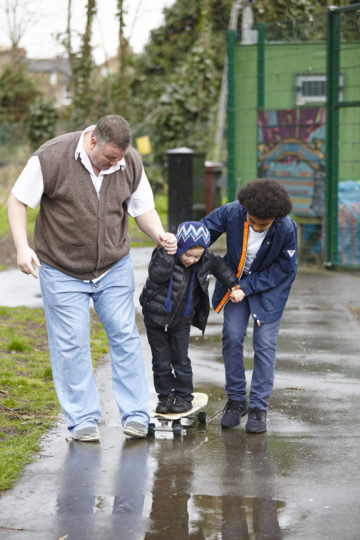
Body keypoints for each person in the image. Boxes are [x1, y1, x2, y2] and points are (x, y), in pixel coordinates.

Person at [7, 115, 177, 441]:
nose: (115, 163)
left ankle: (136, 416)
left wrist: (159, 234)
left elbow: (142, 209)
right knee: (71, 344)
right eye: (110, 157)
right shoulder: (51, 157)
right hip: (60, 268)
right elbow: (16, 200)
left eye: (120, 158)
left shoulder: (130, 163)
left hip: (113, 266)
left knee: (125, 337)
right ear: (93, 141)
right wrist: (21, 247)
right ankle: (83, 419)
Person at [200, 178, 298, 434]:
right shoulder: (232, 212)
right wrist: (179, 244)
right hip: (234, 286)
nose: (255, 226)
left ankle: (258, 407)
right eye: (251, 220)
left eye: (262, 225)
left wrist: (248, 286)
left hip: (268, 290)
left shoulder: (286, 227)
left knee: (264, 344)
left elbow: (285, 269)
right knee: (232, 337)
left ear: (275, 218)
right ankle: (235, 401)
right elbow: (202, 232)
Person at [140, 221, 243, 414]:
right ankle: (165, 396)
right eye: (188, 254)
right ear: (180, 246)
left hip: (182, 319)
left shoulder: (205, 259)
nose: (191, 260)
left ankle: (184, 397)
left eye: (197, 256)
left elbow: (221, 268)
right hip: (155, 318)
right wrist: (167, 253)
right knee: (160, 361)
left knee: (181, 360)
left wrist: (234, 287)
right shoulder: (164, 255)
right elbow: (157, 276)